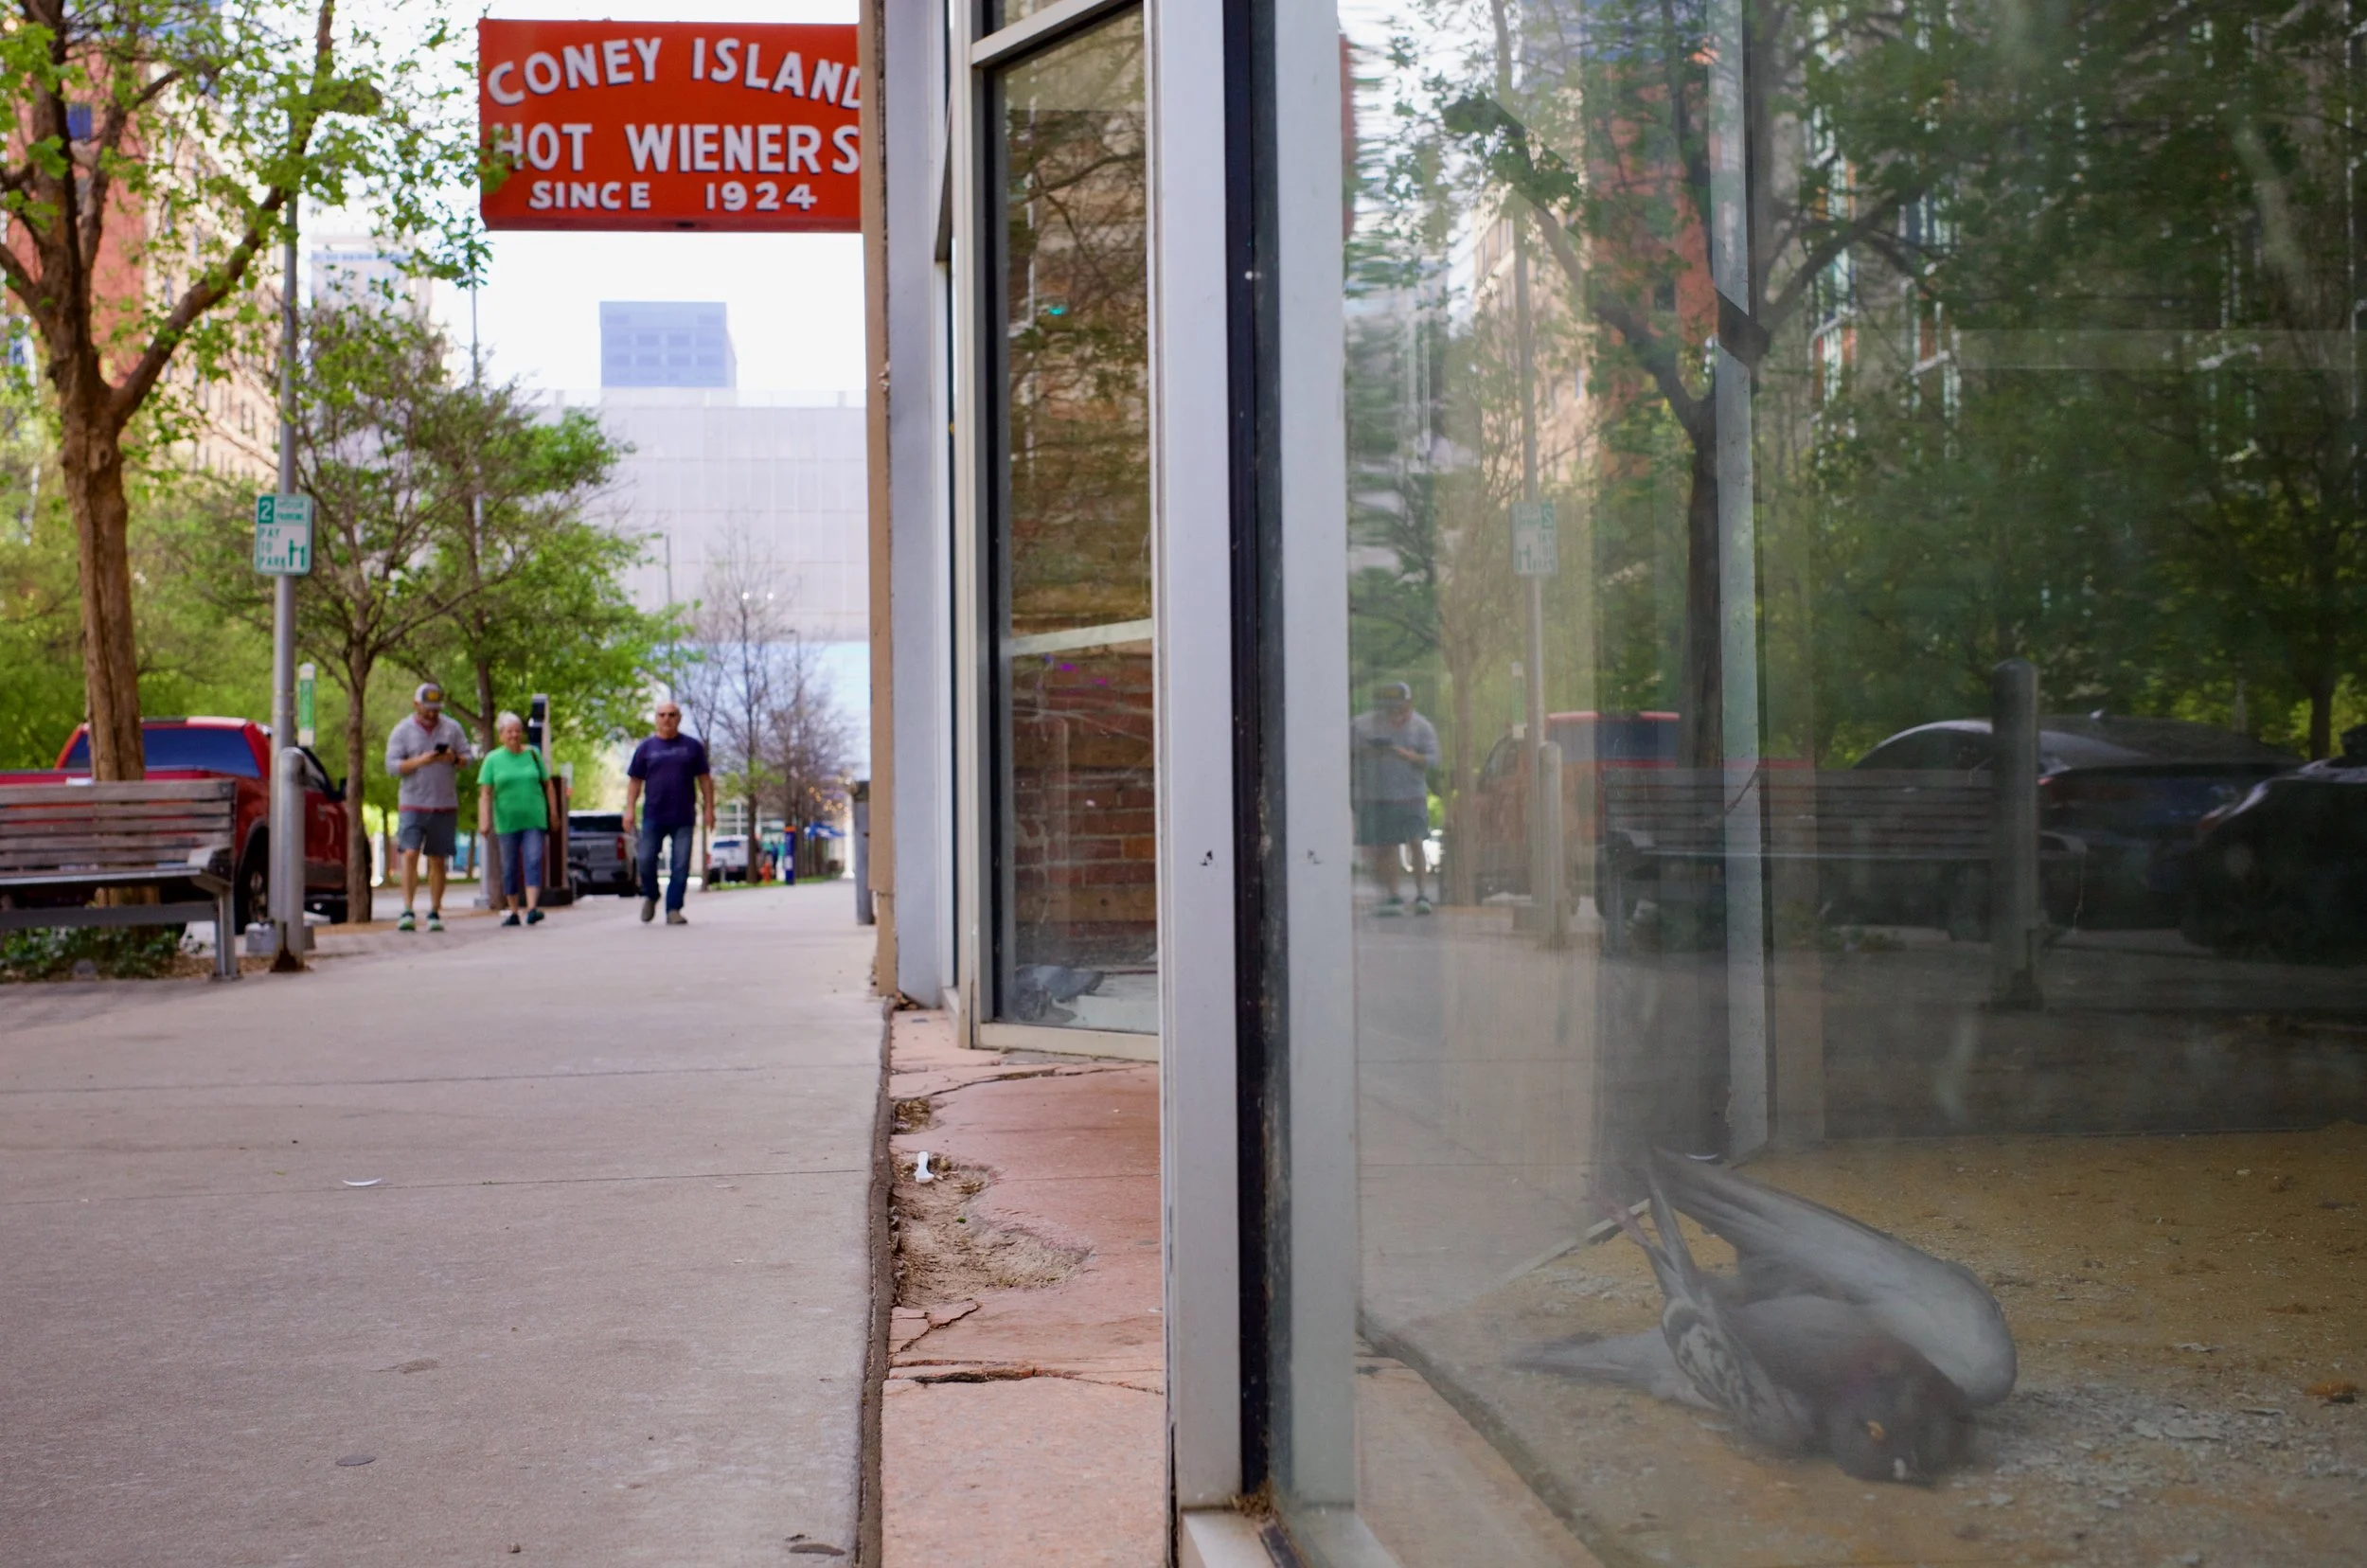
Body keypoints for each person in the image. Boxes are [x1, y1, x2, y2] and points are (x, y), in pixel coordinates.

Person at [384, 681, 472, 932]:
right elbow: (391, 766)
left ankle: (434, 911)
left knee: (437, 860)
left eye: (436, 708)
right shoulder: (402, 731)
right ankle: (408, 909)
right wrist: (418, 761)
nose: (432, 713)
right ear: (416, 705)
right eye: (427, 708)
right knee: (409, 854)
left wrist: (454, 759)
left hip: (444, 804)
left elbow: (468, 757)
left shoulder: (452, 728)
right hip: (412, 803)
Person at [1351, 680, 1440, 916]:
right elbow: (1348, 746)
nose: (1395, 714)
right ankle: (1393, 895)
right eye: (1390, 709)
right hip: (1381, 797)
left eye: (1400, 708)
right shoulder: (1366, 725)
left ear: (1409, 704)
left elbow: (1433, 759)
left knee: (1416, 842)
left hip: (1412, 797)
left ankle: (1422, 894)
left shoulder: (1422, 727)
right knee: (1388, 846)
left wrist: (1411, 757)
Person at [623, 700, 715, 925]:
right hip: (653, 814)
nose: (667, 719)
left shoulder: (692, 747)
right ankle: (651, 895)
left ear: (679, 718)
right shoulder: (646, 748)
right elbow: (635, 782)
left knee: (680, 864)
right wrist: (629, 811)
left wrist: (710, 808)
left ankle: (673, 908)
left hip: (683, 815)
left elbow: (705, 780)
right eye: (662, 715)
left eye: (672, 715)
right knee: (645, 859)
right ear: (656, 719)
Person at [478, 711, 558, 927]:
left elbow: (548, 785)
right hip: (506, 822)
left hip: (534, 818)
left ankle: (532, 908)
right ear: (501, 735)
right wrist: (484, 820)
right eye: (509, 731)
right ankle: (513, 910)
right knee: (509, 866)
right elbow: (485, 793)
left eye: (517, 731)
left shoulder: (533, 754)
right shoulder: (493, 759)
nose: (514, 735)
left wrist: (553, 812)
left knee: (533, 860)